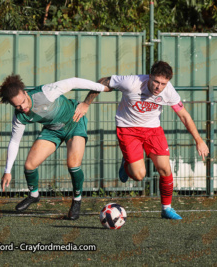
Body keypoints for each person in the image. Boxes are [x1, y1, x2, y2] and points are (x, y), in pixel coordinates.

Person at [74, 61, 209, 220]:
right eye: (156, 82)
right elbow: (104, 81)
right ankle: (127, 164)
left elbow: (184, 116)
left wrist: (199, 140)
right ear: (149, 77)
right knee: (139, 175)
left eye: (163, 84)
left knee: (165, 169)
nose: (159, 87)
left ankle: (166, 208)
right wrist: (86, 103)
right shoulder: (132, 82)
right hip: (128, 129)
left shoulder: (169, 91)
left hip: (153, 131)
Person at [0, 74, 109, 220]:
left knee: (73, 164)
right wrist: (7, 170)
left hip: (74, 121)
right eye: (17, 106)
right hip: (53, 130)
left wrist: (103, 88)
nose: (23, 107)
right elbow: (14, 141)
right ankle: (34, 195)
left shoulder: (46, 92)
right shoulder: (19, 117)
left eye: (23, 102)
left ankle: (76, 200)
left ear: (25, 93)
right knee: (29, 165)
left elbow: (73, 81)